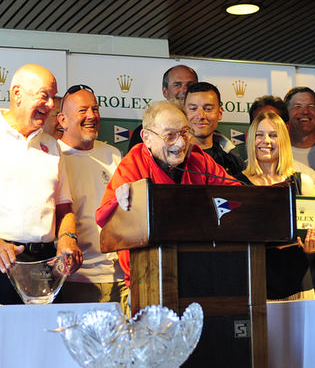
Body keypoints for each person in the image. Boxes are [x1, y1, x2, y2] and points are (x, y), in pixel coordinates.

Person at [0, 64, 81, 305]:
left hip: (45, 265)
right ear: (17, 94)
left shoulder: (51, 145)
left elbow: (64, 207)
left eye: (53, 98)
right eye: (44, 96)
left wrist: (67, 238)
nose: (51, 105)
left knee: (45, 338)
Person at [97, 100, 241, 283]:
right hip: (148, 276)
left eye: (185, 133)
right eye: (170, 135)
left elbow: (236, 196)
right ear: (146, 137)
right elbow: (106, 219)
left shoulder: (197, 159)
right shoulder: (134, 163)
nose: (181, 143)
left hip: (201, 270)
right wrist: (122, 207)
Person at [54, 84, 127, 308]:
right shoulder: (51, 156)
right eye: (82, 110)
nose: (91, 116)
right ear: (63, 120)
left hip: (120, 278)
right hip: (76, 279)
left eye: (95, 109)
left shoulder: (113, 154)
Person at [243, 111, 315, 300]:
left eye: (273, 135)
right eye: (259, 135)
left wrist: (311, 248)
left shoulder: (303, 182)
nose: (266, 141)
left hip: (299, 282)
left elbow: (311, 233)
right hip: (257, 283)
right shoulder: (237, 184)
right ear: (251, 140)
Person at [185, 81, 247, 182]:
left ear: (220, 113)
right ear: (184, 113)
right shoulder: (173, 158)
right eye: (193, 109)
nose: (201, 116)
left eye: (208, 109)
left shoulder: (233, 162)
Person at [127, 64, 198, 152]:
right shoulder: (149, 132)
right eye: (177, 85)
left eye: (190, 85)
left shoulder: (205, 130)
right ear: (165, 91)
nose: (185, 90)